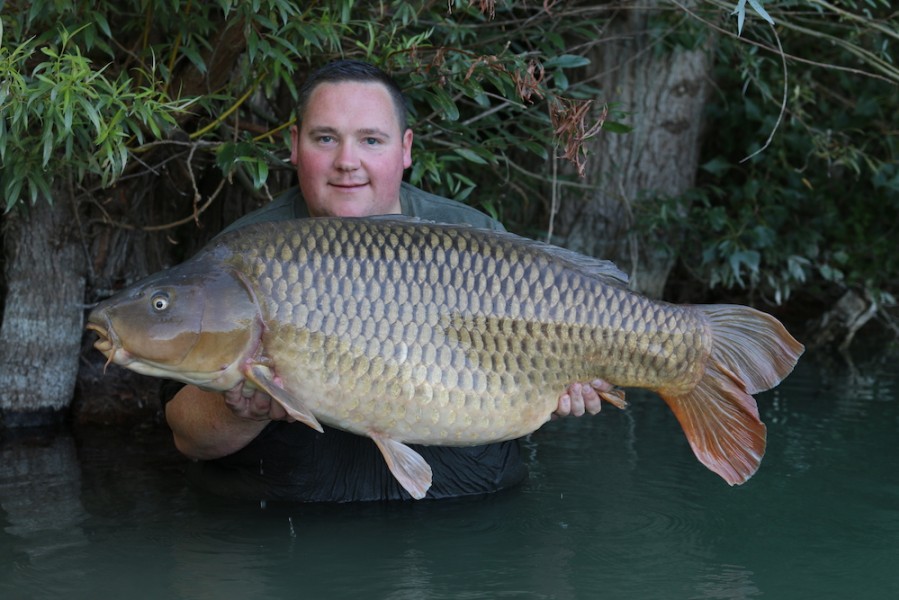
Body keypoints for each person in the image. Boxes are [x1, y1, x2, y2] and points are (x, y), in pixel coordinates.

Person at [164, 60, 608, 502]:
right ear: (295, 145)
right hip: (291, 531)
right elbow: (187, 437)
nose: (347, 162)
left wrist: (563, 383)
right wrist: (241, 410)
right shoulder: (245, 255)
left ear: (405, 148)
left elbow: (530, 390)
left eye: (371, 140)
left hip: (467, 521)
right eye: (326, 139)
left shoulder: (477, 240)